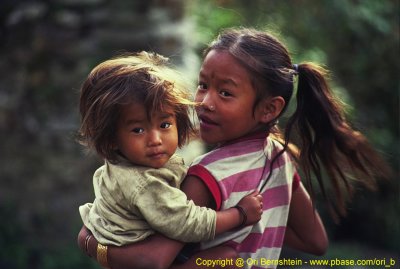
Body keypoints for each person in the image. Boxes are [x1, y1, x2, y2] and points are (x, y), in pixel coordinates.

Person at [78, 28, 391, 269]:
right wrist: (249, 240)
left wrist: (91, 243)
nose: (205, 102)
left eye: (225, 93)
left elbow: (155, 261)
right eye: (203, 85)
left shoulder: (206, 177)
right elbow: (315, 241)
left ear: (268, 109)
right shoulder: (280, 160)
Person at [77, 51, 264, 269]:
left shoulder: (126, 160)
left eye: (165, 125)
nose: (155, 140)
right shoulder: (146, 183)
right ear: (111, 138)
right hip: (139, 258)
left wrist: (90, 243)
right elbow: (187, 222)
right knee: (225, 257)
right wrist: (239, 215)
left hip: (120, 250)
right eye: (138, 130)